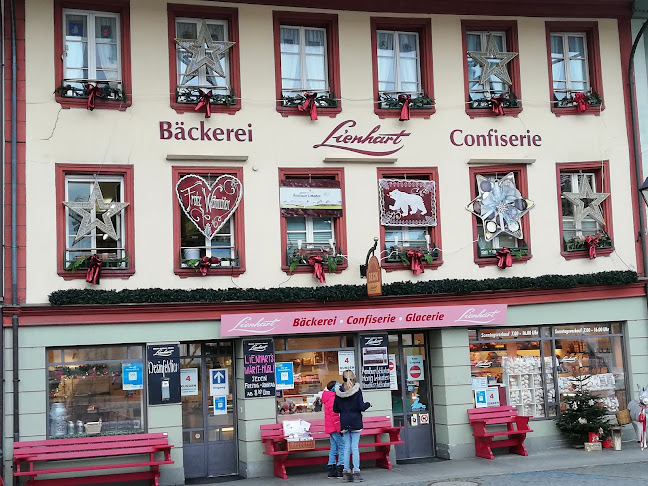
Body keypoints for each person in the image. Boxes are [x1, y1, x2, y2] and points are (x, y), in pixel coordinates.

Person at [333, 370, 371, 482]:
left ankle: (346, 473)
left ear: (343, 379)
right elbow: (361, 406)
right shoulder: (357, 391)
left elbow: (335, 409)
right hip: (355, 421)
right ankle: (356, 472)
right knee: (355, 447)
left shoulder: (338, 392)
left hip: (344, 421)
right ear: (353, 378)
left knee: (345, 447)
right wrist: (368, 404)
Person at [322, 381, 343, 478]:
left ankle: (331, 469)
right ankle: (341, 468)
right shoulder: (333, 399)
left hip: (330, 427)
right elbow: (335, 416)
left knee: (334, 447)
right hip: (335, 428)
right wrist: (340, 429)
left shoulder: (327, 398)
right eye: (338, 385)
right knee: (343, 446)